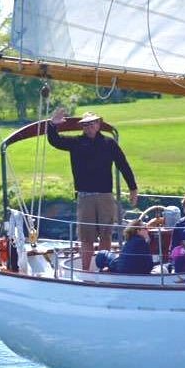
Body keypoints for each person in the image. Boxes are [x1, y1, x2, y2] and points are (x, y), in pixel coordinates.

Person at [47, 107, 138, 270]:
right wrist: (52, 125)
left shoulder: (109, 143)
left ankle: (104, 267)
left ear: (98, 124)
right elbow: (55, 141)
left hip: (105, 196)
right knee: (86, 237)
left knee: (106, 234)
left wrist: (133, 188)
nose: (89, 127)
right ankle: (86, 270)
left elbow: (123, 165)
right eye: (85, 124)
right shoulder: (76, 142)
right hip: (85, 196)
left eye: (92, 123)